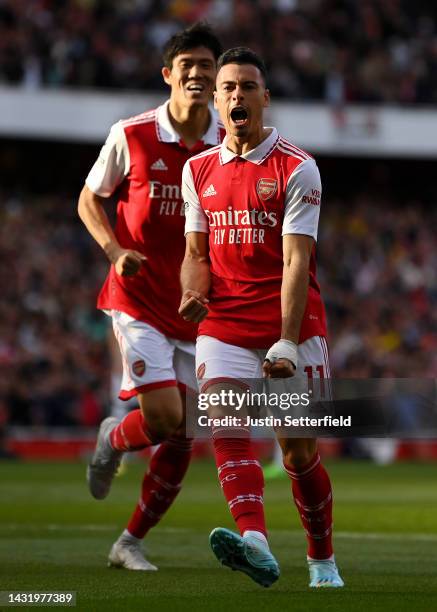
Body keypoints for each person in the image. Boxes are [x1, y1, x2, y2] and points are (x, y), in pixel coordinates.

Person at [179, 47, 344, 589]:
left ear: (264, 98)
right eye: (227, 87)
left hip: (287, 327)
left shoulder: (297, 167)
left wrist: (288, 342)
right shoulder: (196, 169)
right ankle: (255, 542)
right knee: (226, 426)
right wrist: (190, 291)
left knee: (297, 452)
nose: (236, 95)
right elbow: (197, 254)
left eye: (248, 86)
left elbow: (298, 260)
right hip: (224, 322)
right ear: (216, 99)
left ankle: (321, 559)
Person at [78, 23, 223, 571]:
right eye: (186, 66)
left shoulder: (228, 148)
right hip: (137, 299)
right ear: (168, 76)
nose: (196, 75)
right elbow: (89, 200)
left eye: (206, 67)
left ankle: (129, 542)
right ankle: (114, 439)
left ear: (216, 80)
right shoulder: (132, 135)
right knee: (164, 419)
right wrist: (115, 250)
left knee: (184, 437)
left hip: (193, 308)